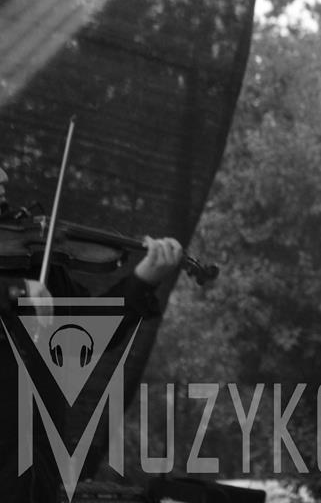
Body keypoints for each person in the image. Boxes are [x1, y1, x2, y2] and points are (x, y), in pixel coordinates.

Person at [0, 164, 184, 502]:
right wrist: (13, 291)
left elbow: (80, 336)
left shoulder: (32, 258)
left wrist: (141, 281)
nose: (3, 177)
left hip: (31, 468)